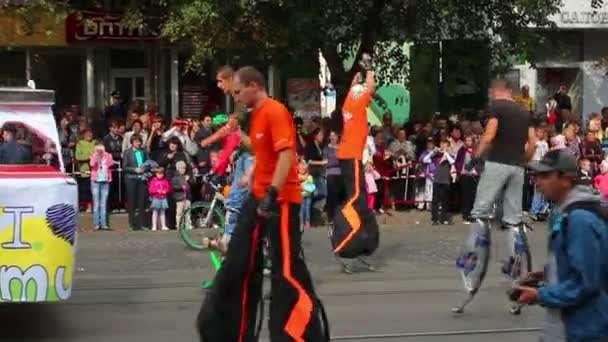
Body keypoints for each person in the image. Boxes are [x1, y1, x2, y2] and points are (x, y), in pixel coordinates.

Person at [197, 66, 327, 342]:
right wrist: (237, 139)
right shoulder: (255, 116)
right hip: (258, 196)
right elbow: (260, 151)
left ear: (253, 86)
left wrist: (272, 193)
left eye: (238, 92)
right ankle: (228, 330)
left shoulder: (276, 111)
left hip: (280, 199)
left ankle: (298, 333)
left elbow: (286, 156)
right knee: (239, 260)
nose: (237, 98)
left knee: (286, 269)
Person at [456, 79, 537, 312]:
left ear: (497, 91)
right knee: (513, 220)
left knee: (480, 212)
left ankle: (471, 258)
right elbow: (532, 142)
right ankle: (514, 269)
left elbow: (489, 135)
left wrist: (475, 157)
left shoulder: (497, 108)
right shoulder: (524, 111)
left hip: (497, 164)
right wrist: (524, 161)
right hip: (517, 167)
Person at [517, 150, 608, 341]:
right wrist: (547, 274)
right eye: (536, 176)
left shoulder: (580, 219)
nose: (538, 181)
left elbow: (584, 283)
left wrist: (539, 295)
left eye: (545, 175)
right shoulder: (564, 212)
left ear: (565, 180)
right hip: (564, 328)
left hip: (583, 330)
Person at [332, 62, 380, 259]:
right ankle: (347, 238)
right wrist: (369, 70)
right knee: (356, 196)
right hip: (352, 156)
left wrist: (355, 80)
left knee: (357, 194)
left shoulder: (347, 104)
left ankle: (356, 234)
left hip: (346, 155)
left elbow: (356, 89)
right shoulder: (360, 104)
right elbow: (371, 88)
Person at [424, 140, 455, 225]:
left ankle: (444, 218)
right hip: (436, 181)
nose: (442, 148)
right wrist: (432, 152)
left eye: (445, 146)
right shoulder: (436, 156)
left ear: (448, 147)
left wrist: (445, 153)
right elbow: (425, 160)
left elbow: (452, 162)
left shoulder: (450, 156)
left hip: (445, 181)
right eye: (441, 146)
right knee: (435, 201)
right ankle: (434, 219)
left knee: (445, 201)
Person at [123, 134, 149, 231]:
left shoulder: (143, 151)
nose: (138, 143)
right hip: (131, 179)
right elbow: (125, 167)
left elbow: (148, 163)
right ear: (132, 142)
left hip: (141, 179)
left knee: (142, 202)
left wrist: (144, 168)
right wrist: (135, 169)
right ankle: (132, 224)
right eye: (136, 142)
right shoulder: (127, 152)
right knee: (132, 202)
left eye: (139, 141)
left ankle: (142, 224)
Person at [89, 142, 114, 230]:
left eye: (101, 148)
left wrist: (105, 154)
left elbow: (111, 164)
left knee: (103, 203)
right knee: (96, 204)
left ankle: (103, 224)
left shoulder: (108, 155)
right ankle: (96, 223)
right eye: (98, 148)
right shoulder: (93, 155)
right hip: (95, 180)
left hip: (105, 180)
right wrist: (96, 155)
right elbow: (92, 164)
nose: (100, 150)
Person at [148, 167, 171, 231]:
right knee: (155, 212)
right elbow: (150, 190)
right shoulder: (153, 180)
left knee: (162, 212)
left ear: (163, 174)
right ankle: (154, 226)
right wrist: (156, 190)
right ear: (156, 174)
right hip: (156, 198)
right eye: (158, 173)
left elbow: (168, 188)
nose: (159, 175)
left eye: (161, 174)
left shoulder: (165, 180)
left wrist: (165, 191)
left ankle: (163, 225)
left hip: (163, 198)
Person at [172, 161, 193, 229]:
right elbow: (174, 187)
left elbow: (191, 184)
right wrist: (181, 187)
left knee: (187, 212)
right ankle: (179, 225)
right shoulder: (175, 177)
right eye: (181, 168)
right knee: (179, 212)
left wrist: (188, 180)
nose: (183, 170)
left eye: (184, 168)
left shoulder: (186, 177)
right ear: (178, 169)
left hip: (187, 197)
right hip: (180, 198)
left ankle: (188, 224)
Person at [299, 160, 315, 229]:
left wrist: (303, 185)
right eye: (301, 167)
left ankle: (307, 222)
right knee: (301, 210)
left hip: (308, 196)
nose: (302, 169)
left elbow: (311, 187)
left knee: (307, 209)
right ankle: (301, 222)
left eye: (303, 167)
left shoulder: (309, 177)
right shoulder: (297, 176)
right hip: (301, 196)